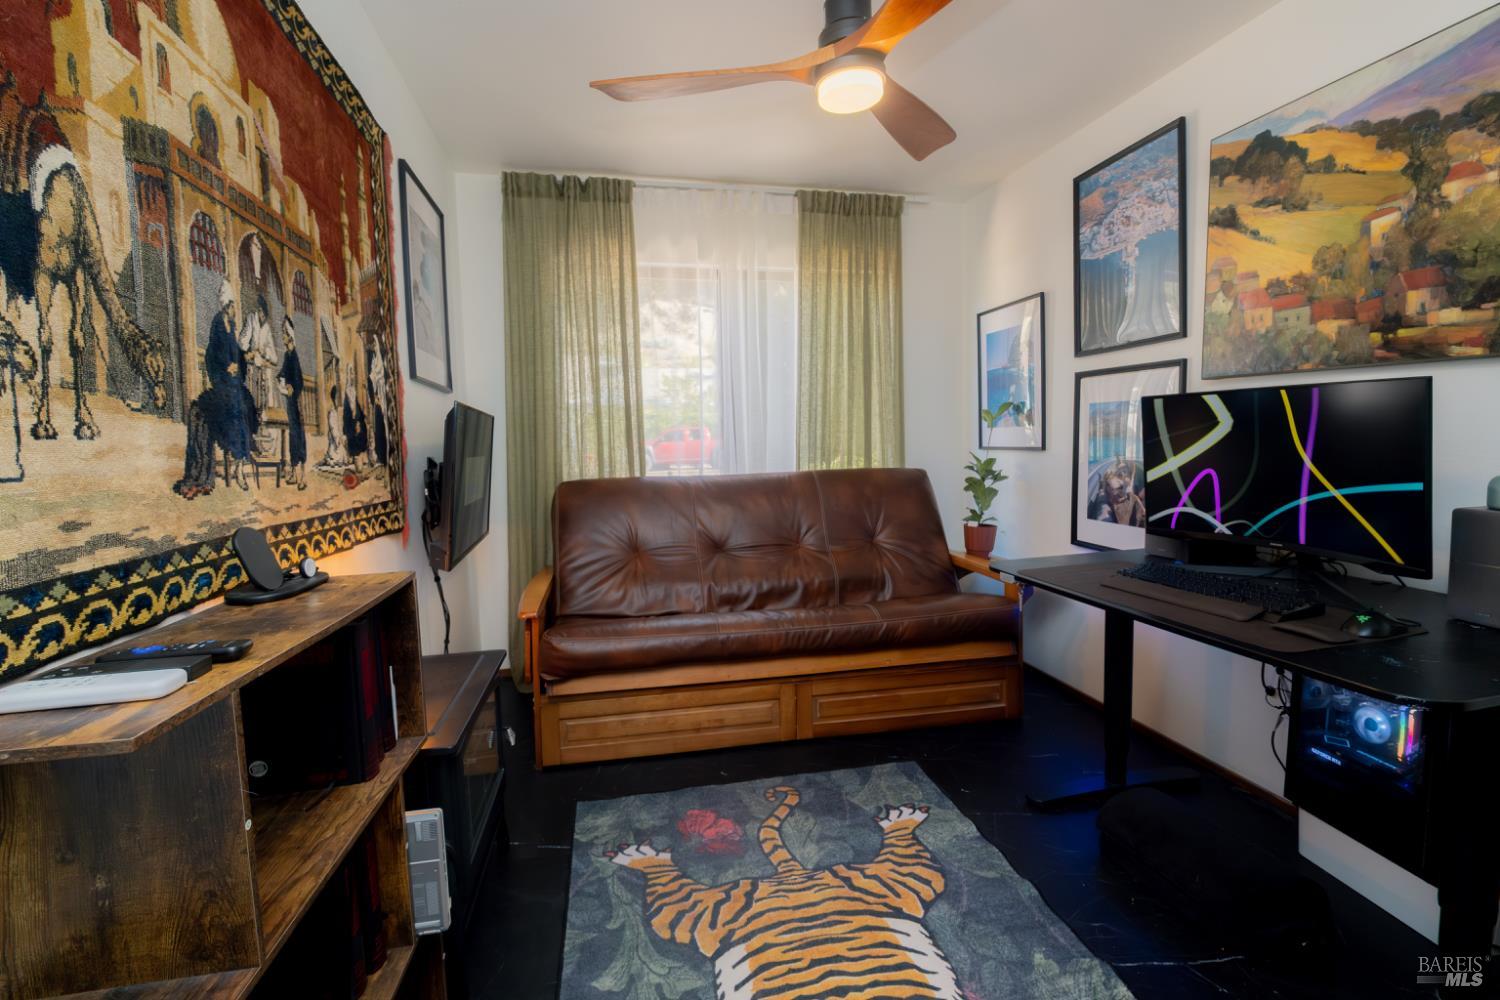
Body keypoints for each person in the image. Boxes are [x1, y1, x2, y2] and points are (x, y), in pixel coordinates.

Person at [203, 282, 257, 488]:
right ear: (227, 305)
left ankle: (238, 467)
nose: (235, 310)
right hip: (222, 382)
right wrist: (226, 367)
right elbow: (213, 354)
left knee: (246, 411)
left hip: (233, 382)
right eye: (233, 306)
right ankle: (238, 468)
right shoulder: (217, 324)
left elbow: (235, 350)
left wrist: (244, 356)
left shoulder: (232, 326)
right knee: (234, 416)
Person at [276, 317, 306, 490]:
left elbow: (298, 381)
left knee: (299, 438)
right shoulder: (287, 356)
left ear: (290, 336)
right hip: (290, 404)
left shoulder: (294, 356)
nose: (282, 336)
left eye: (284, 334)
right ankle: (294, 473)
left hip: (297, 404)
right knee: (293, 438)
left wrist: (290, 387)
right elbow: (282, 373)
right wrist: (281, 379)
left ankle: (302, 476)